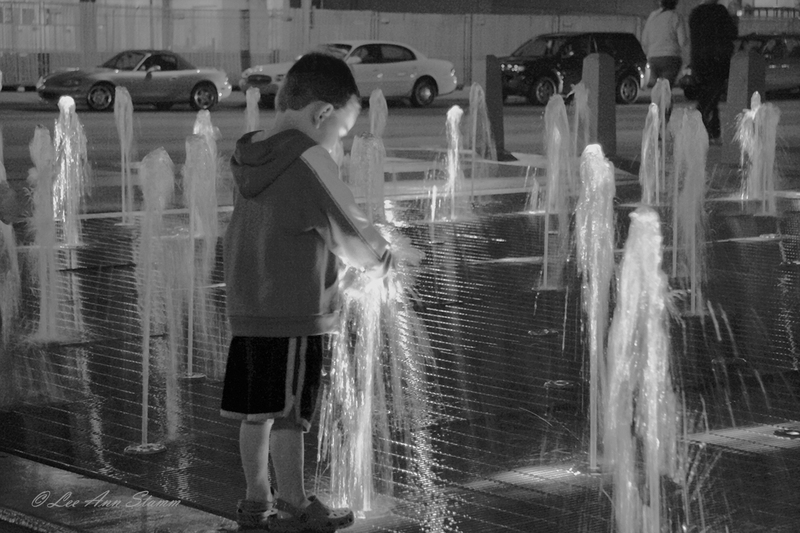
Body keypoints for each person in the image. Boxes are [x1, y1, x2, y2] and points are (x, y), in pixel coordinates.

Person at [220, 52, 399, 533]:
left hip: (248, 307)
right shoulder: (308, 157)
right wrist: (384, 259)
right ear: (322, 114)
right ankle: (294, 504)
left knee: (255, 412)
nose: (339, 143)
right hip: (294, 310)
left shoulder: (251, 152)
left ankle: (256, 501)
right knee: (290, 415)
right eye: (342, 131)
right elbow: (350, 228)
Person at [689, 0, 738, 144]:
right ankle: (698, 126)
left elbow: (694, 38)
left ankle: (713, 132)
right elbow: (732, 33)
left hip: (699, 60)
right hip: (718, 60)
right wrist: (734, 21)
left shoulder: (696, 13)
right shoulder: (720, 11)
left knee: (711, 95)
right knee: (710, 96)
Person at [641, 0, 688, 88]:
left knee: (658, 90)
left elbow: (644, 39)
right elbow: (683, 42)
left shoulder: (652, 16)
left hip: (653, 58)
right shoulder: (676, 16)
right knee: (666, 90)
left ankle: (659, 100)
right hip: (671, 58)